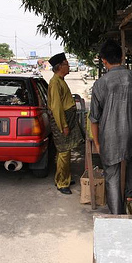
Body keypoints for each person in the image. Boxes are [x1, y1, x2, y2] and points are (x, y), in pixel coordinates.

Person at [89, 39, 132, 214]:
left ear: (104, 60)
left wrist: (97, 143)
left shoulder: (100, 84)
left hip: (109, 138)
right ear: (122, 57)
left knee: (112, 176)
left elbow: (94, 119)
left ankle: (116, 214)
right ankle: (130, 193)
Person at [47, 52, 83, 194]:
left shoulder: (60, 80)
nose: (68, 66)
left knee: (65, 151)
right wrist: (64, 126)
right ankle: (62, 183)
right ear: (60, 66)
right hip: (62, 122)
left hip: (67, 119)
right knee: (64, 152)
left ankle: (63, 178)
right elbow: (56, 107)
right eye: (67, 64)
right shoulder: (55, 82)